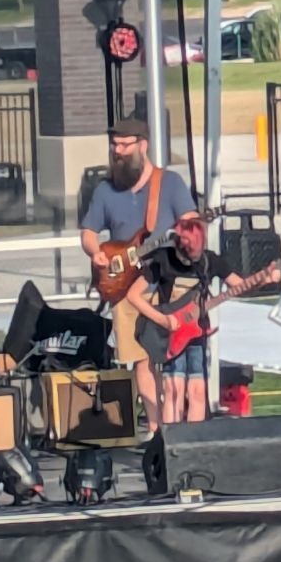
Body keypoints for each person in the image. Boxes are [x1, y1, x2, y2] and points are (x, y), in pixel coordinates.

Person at [80, 117, 197, 432]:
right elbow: (89, 232)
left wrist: (187, 233)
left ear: (142, 146)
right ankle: (156, 428)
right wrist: (96, 252)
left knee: (175, 356)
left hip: (168, 282)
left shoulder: (169, 183)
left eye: (124, 145)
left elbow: (190, 222)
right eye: (114, 145)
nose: (117, 151)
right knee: (141, 359)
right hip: (126, 285)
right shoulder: (105, 190)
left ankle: (182, 428)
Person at [125, 214, 257, 424]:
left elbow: (239, 285)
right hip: (171, 334)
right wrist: (163, 320)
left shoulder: (209, 261)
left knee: (197, 391)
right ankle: (171, 437)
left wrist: (266, 277)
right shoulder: (163, 260)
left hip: (197, 332)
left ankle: (193, 437)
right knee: (173, 390)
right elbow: (133, 295)